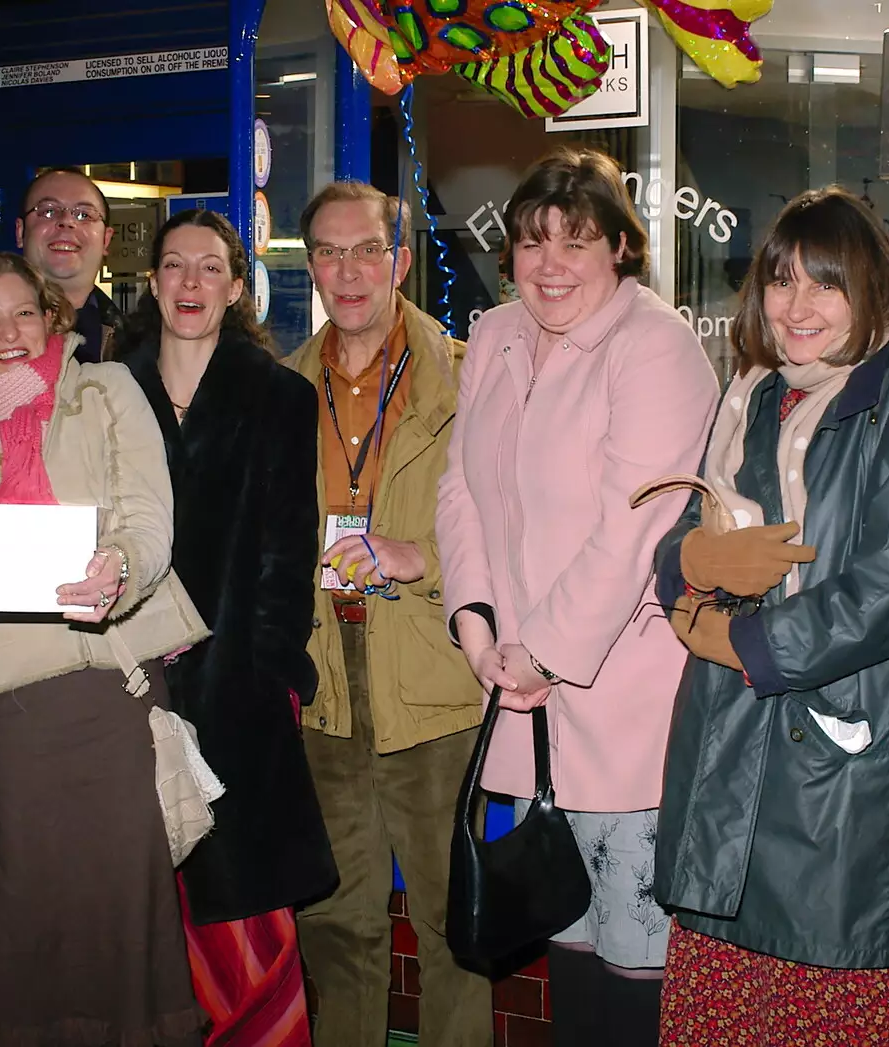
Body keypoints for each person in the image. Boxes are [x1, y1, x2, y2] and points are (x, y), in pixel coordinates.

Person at [646, 187, 889, 1045]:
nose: (798, 306)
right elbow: (682, 527)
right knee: (723, 1013)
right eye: (782, 281)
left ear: (871, 291)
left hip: (843, 770)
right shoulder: (749, 392)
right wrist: (690, 565)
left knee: (832, 1010)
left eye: (826, 284)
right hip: (728, 755)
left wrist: (736, 638)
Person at [0, 251, 208, 1046]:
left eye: (24, 311)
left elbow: (148, 519)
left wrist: (119, 566)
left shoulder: (106, 390)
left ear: (50, 316)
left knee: (122, 920)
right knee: (20, 919)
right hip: (15, 717)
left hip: (112, 699)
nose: (10, 331)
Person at [436, 146, 718, 1045]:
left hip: (625, 703)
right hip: (525, 697)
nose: (549, 264)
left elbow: (634, 525)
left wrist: (541, 651)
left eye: (576, 242)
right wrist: (478, 629)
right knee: (569, 952)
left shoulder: (656, 348)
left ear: (621, 251)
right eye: (531, 242)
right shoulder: (492, 336)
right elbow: (461, 492)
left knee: (637, 974)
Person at [116, 208, 338, 1045]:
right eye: (175, 267)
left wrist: (272, 667)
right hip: (131, 683)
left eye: (210, 268)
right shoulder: (112, 387)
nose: (190, 284)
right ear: (153, 282)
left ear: (238, 285)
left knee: (245, 908)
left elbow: (290, 548)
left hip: (238, 686)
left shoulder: (277, 393)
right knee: (151, 903)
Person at [286, 181, 492, 1047]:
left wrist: (423, 560)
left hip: (434, 677)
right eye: (329, 253)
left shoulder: (471, 374)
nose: (349, 270)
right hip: (326, 679)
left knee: (450, 923)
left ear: (400, 258)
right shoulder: (284, 385)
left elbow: (516, 533)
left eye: (366, 248)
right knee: (339, 922)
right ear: (312, 268)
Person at [16, 166, 120, 363]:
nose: (66, 222)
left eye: (83, 215)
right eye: (48, 212)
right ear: (20, 232)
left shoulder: (142, 345)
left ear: (106, 240)